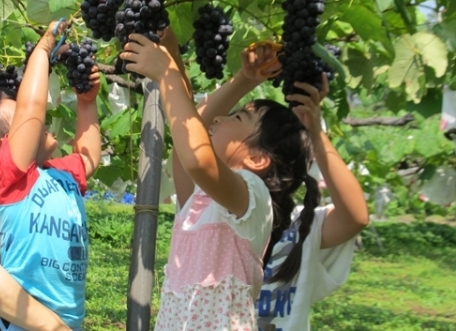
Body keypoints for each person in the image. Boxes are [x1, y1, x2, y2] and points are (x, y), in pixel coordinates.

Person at [121, 30, 324, 330]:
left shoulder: (253, 197)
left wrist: (167, 75)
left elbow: (197, 158)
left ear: (257, 159)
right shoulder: (200, 202)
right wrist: (243, 79)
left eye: (237, 118)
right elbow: (187, 141)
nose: (219, 119)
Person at [0, 20, 102, 331]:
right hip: (22, 323)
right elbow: (32, 106)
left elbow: (89, 157)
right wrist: (41, 53)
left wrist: (87, 102)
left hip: (68, 323)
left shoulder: (59, 176)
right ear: (7, 147)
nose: (37, 118)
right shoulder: (10, 181)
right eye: (19, 118)